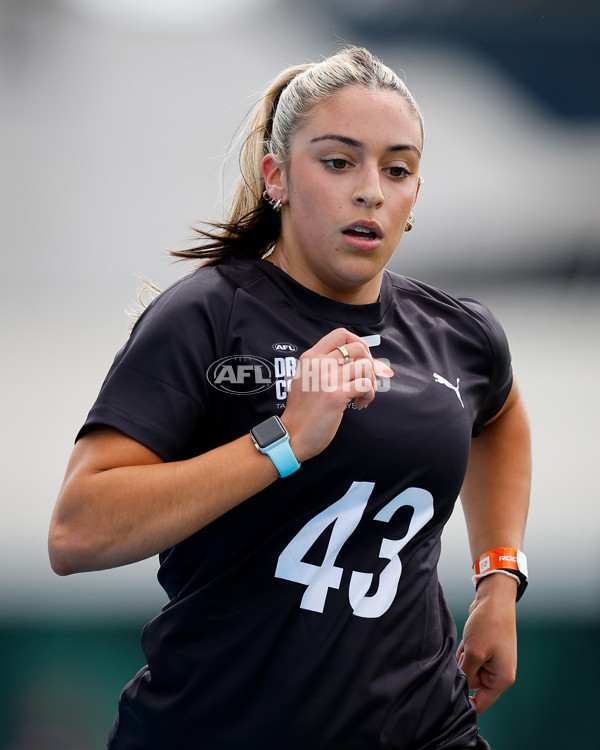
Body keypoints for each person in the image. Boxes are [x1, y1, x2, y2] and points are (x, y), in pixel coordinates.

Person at [48, 45, 531, 750]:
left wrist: (498, 580)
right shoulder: (207, 317)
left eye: (396, 169)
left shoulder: (459, 333)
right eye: (339, 162)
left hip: (427, 730)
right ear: (276, 176)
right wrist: (283, 442)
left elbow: (501, 417)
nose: (370, 190)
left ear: (414, 197)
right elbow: (76, 532)